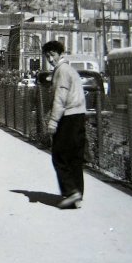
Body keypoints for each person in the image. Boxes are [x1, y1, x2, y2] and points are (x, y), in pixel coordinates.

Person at [42, 40, 87, 210]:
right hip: (79, 115)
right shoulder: (70, 70)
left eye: (52, 55)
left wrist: (53, 121)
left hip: (67, 117)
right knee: (75, 156)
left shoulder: (61, 71)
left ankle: (70, 191)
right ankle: (77, 194)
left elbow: (60, 97)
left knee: (59, 156)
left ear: (61, 54)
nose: (50, 59)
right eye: (47, 56)